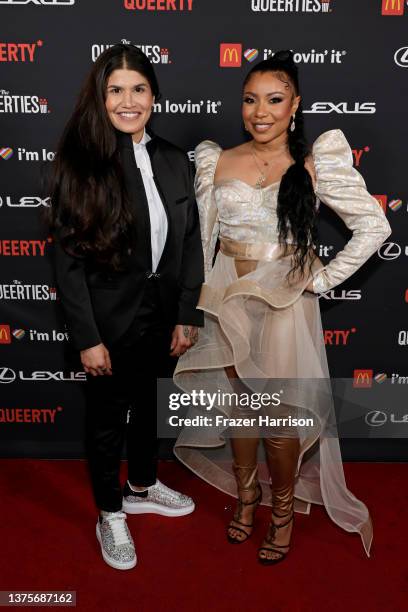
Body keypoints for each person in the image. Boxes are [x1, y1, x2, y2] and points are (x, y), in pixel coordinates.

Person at [173, 50, 391, 564]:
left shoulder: (314, 164)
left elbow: (375, 227)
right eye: (250, 100)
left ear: (295, 104)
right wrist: (189, 308)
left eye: (274, 99)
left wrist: (322, 278)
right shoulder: (217, 160)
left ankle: (284, 512)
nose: (260, 111)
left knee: (278, 419)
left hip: (285, 305)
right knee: (241, 412)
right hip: (226, 299)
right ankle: (248, 501)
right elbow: (203, 246)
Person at [48, 43, 204, 570]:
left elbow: (190, 242)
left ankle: (141, 483)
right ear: (101, 96)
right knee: (108, 418)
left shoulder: (174, 159)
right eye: (116, 90)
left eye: (138, 88)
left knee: (153, 406)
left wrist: (187, 313)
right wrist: (87, 337)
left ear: (154, 96)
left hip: (163, 312)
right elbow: (67, 264)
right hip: (107, 319)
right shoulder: (83, 163)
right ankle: (110, 511)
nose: (128, 100)